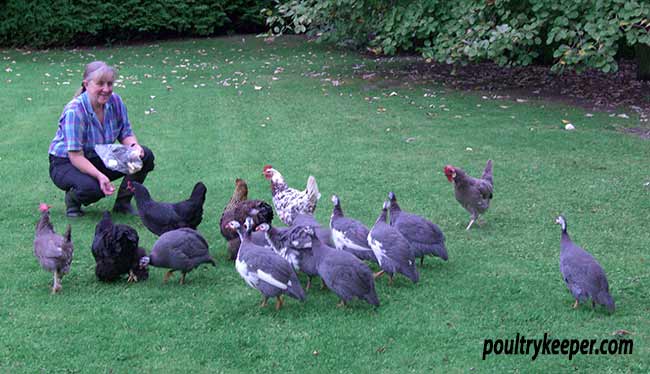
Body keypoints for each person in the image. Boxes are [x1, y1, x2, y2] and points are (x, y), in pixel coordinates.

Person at [48, 61, 155, 217]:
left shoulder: (116, 101)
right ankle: (73, 199)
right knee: (93, 188)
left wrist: (134, 147)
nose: (106, 89)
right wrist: (100, 176)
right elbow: (76, 156)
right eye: (100, 84)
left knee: (145, 156)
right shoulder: (75, 110)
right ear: (86, 84)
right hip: (66, 162)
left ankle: (123, 204)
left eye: (110, 84)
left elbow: (125, 133)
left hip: (98, 155)